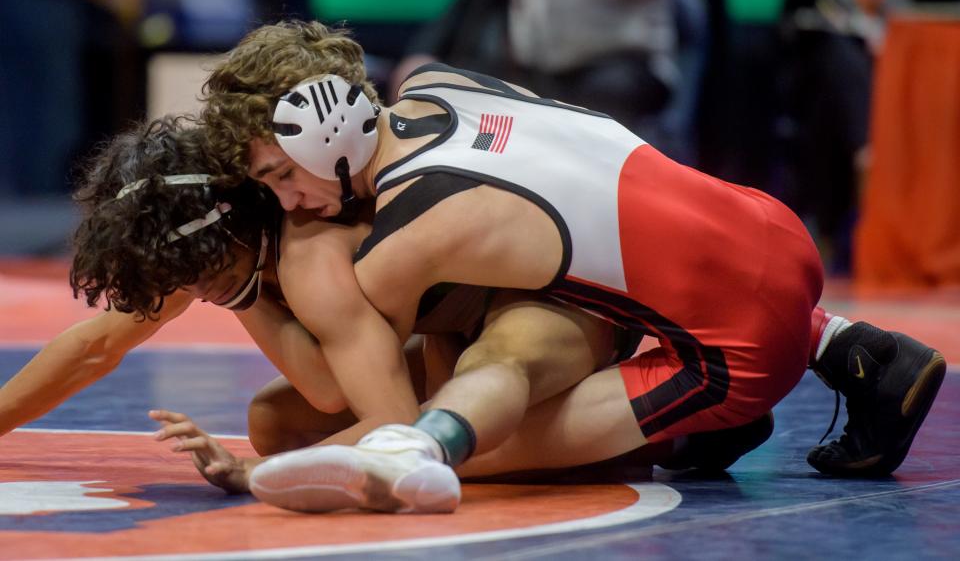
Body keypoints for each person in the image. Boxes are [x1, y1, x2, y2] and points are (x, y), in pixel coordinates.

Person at [198, 20, 946, 514]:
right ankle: (846, 349)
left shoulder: (406, 234)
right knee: (561, 301)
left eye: (277, 173)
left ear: (326, 125)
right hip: (764, 223)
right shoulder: (439, 87)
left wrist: (253, 464)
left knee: (493, 451)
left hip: (736, 349)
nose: (287, 200)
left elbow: (350, 394)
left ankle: (691, 427)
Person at [0, 117, 771, 497]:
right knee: (278, 423)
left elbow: (355, 400)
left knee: (465, 443)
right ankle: (672, 420)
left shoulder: (307, 249)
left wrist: (242, 307)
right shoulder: (212, 236)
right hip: (457, 322)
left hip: (543, 300)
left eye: (200, 279)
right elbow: (99, 343)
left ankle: (690, 424)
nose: (190, 295)